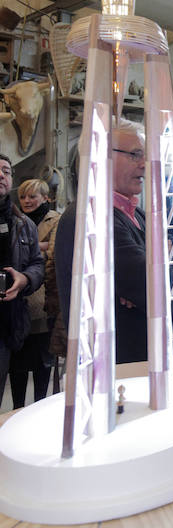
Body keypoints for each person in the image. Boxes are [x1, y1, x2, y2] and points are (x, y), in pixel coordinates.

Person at [55, 120, 148, 365]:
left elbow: (167, 276)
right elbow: (149, 284)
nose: (144, 164)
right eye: (135, 154)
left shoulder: (136, 214)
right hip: (110, 368)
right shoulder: (91, 217)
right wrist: (156, 269)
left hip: (140, 360)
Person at [9, 179, 60, 407]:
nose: (27, 201)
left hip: (42, 299)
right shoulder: (15, 221)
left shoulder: (55, 219)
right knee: (17, 364)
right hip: (18, 298)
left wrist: (31, 248)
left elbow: (56, 250)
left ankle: (39, 407)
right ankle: (17, 409)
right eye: (23, 197)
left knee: (42, 363)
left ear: (45, 198)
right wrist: (40, 246)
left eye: (32, 196)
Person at [0, 154, 45, 406]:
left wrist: (25, 278)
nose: (1, 176)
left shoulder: (23, 224)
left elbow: (37, 263)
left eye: (6, 171)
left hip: (7, 323)